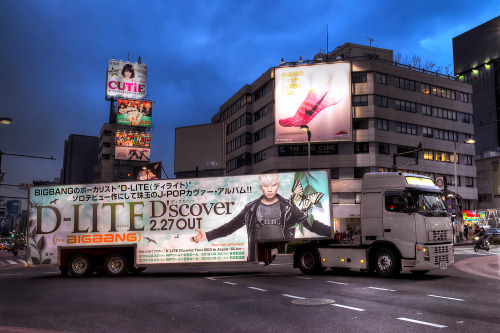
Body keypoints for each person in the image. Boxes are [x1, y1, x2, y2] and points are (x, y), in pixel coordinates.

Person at [189, 174, 331, 264]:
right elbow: (230, 227)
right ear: (260, 187)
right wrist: (207, 235)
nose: (269, 189)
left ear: (278, 185)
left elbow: (311, 225)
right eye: (265, 185)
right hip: (256, 251)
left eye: (273, 185)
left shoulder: (289, 207)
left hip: (276, 246)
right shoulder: (250, 208)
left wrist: (332, 232)